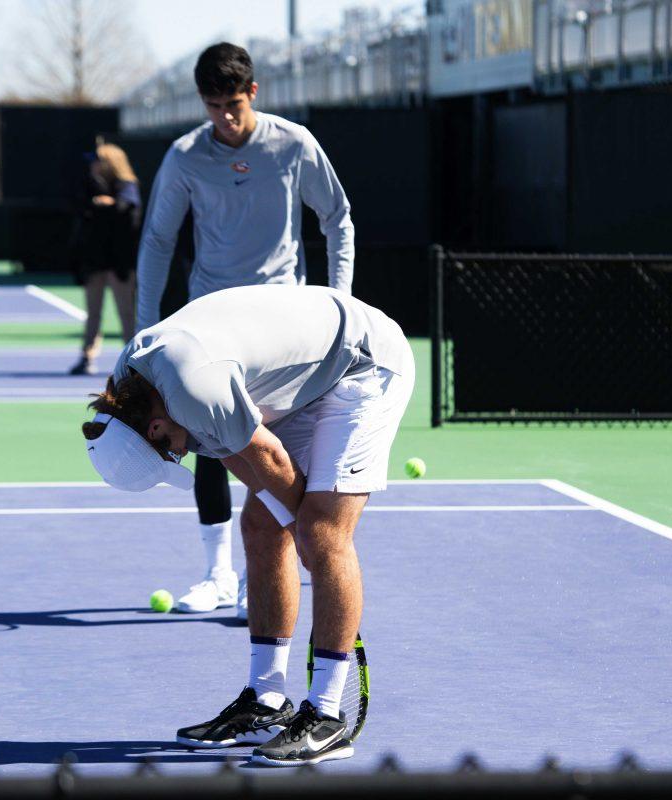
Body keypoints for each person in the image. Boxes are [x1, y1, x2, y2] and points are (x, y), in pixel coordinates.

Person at [83, 285, 413, 766]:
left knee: (323, 533)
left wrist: (305, 529)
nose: (179, 454)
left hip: (363, 361)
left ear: (153, 428)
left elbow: (269, 457)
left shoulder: (192, 388)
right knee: (261, 525)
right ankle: (266, 700)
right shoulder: (131, 388)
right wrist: (285, 516)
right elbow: (238, 455)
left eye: (169, 452)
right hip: (310, 376)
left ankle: (326, 717)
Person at [135, 42, 355, 618]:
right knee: (208, 440)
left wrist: (339, 300)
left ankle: (279, 564)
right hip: (209, 321)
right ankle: (217, 575)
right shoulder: (184, 157)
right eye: (213, 106)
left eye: (233, 104)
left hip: (282, 326)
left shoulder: (294, 144)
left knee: (279, 448)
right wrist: (142, 328)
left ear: (252, 93)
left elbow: (337, 218)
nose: (225, 118)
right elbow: (158, 241)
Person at [69, 143, 142, 376]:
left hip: (120, 263)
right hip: (95, 261)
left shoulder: (127, 186)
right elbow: (82, 211)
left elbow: (128, 213)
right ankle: (87, 356)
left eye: (97, 160)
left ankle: (133, 362)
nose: (93, 164)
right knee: (93, 312)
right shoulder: (89, 186)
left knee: (126, 312)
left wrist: (109, 205)